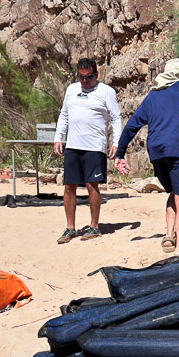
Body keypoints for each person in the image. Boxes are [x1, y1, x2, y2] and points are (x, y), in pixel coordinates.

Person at [114, 58, 179, 257]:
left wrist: (120, 154)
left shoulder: (152, 96)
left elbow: (132, 125)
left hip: (157, 152)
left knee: (173, 192)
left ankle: (169, 235)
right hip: (178, 149)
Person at [54, 58, 122, 243]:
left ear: (96, 74)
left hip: (94, 146)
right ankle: (70, 228)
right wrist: (58, 138)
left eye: (89, 77)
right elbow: (64, 115)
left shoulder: (106, 91)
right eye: (81, 77)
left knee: (92, 185)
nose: (85, 81)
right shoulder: (72, 89)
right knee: (69, 186)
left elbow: (116, 118)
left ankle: (94, 226)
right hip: (73, 146)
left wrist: (116, 143)